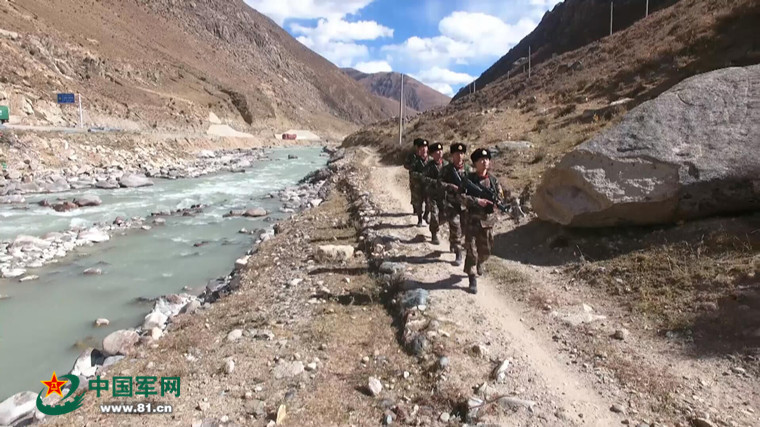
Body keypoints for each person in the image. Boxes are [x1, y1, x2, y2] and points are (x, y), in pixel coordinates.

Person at [459, 148, 505, 294]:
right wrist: (476, 201)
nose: (485, 162)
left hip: (487, 222)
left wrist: (497, 203)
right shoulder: (469, 179)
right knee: (471, 250)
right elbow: (460, 196)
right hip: (472, 221)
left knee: (486, 251)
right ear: (475, 163)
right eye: (481, 160)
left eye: (487, 159)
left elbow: (500, 197)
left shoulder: (493, 181)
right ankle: (472, 277)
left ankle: (480, 262)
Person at [439, 143, 470, 266]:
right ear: (452, 155)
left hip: (465, 205)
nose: (459, 156)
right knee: (456, 227)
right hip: (451, 204)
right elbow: (439, 183)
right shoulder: (447, 169)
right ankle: (458, 253)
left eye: (461, 153)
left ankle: (453, 241)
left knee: (464, 229)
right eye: (457, 153)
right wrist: (450, 186)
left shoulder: (468, 169)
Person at [421, 142, 447, 244]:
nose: (439, 153)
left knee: (444, 216)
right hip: (432, 195)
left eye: (441, 150)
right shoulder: (429, 166)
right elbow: (423, 178)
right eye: (437, 151)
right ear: (432, 154)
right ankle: (434, 234)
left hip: (444, 196)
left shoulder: (446, 165)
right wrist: (436, 182)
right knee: (435, 215)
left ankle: (434, 226)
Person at [403, 137, 430, 226]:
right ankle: (420, 219)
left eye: (425, 147)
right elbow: (410, 169)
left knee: (429, 202)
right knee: (418, 201)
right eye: (422, 147)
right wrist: (420, 175)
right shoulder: (414, 159)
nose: (424, 149)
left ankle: (426, 215)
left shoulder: (430, 160)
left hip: (428, 184)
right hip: (417, 183)